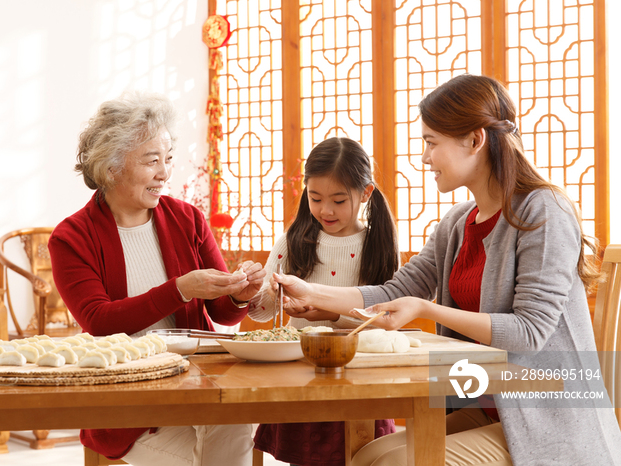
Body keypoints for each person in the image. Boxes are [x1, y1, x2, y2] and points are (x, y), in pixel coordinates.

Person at [268, 75, 621, 465]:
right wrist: (309, 293)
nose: (424, 157)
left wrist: (427, 310)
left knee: (390, 463)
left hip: (550, 415)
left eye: (431, 142)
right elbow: (395, 291)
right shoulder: (457, 222)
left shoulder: (543, 211)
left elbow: (530, 332)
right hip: (493, 406)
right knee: (368, 454)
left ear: (474, 140)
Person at [48, 91, 265, 466]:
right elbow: (99, 321)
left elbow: (223, 316)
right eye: (152, 161)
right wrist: (179, 290)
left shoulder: (188, 219)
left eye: (168, 159)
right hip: (128, 404)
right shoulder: (72, 237)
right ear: (112, 167)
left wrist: (240, 295)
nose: (165, 173)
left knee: (234, 419)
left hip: (196, 384)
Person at [247, 137, 399, 466]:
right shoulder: (294, 240)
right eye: (315, 198)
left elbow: (385, 317)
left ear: (366, 193)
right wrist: (254, 293)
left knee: (363, 457)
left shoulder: (378, 243)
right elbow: (262, 314)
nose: (325, 210)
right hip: (300, 375)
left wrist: (329, 314)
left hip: (359, 377)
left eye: (339, 200)